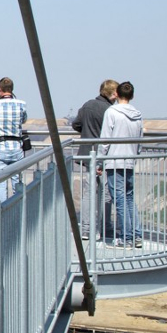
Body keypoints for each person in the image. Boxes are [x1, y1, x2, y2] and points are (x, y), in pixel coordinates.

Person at [69, 80, 117, 238]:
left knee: (88, 192)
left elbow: (76, 124)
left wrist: (87, 133)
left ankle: (86, 229)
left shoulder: (88, 105)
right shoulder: (111, 110)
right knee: (106, 193)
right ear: (113, 93)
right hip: (104, 155)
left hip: (88, 152)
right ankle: (105, 227)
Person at [99, 81, 145, 247]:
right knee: (129, 199)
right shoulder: (138, 114)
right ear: (132, 96)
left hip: (114, 161)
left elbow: (105, 139)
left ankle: (126, 238)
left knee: (119, 201)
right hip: (130, 161)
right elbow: (140, 139)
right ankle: (137, 236)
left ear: (116, 94)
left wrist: (99, 161)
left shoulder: (112, 112)